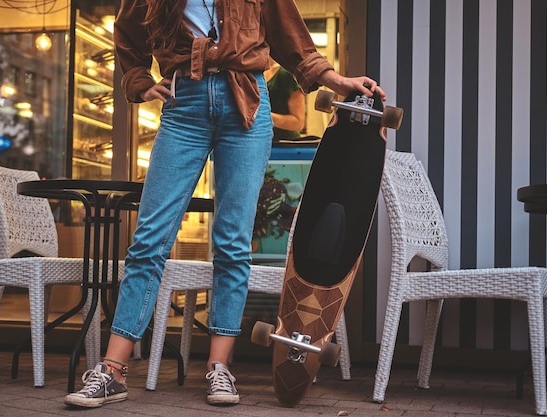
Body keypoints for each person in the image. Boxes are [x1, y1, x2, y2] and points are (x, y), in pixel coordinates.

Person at [64, 0, 386, 409]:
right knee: (148, 239)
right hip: (184, 106)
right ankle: (111, 370)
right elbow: (127, 33)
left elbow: (293, 40)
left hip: (247, 102)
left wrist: (334, 80)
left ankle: (219, 368)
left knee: (232, 240)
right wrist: (140, 82)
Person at [264, 59, 305, 140]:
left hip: (284, 145)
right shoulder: (252, 72)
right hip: (259, 142)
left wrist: (263, 116)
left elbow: (298, 123)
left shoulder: (286, 73)